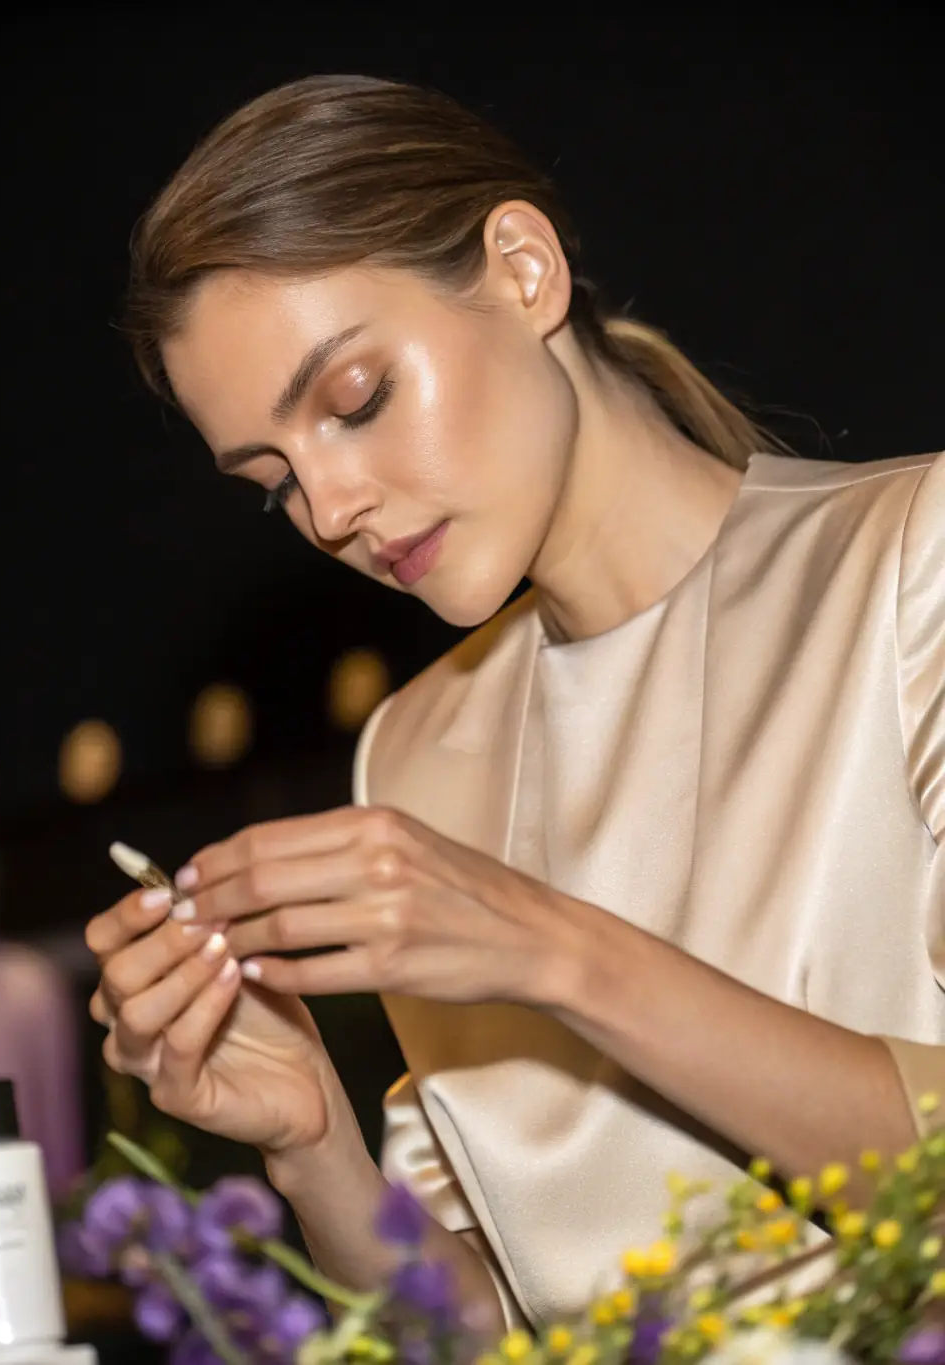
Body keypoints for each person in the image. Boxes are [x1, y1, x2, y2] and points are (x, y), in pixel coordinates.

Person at [85, 74, 944, 1331]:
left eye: (355, 400)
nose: (329, 512)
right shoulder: (417, 756)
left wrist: (548, 946)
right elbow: (494, 1335)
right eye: (272, 483)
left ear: (524, 269)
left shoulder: (909, 564)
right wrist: (313, 1134)